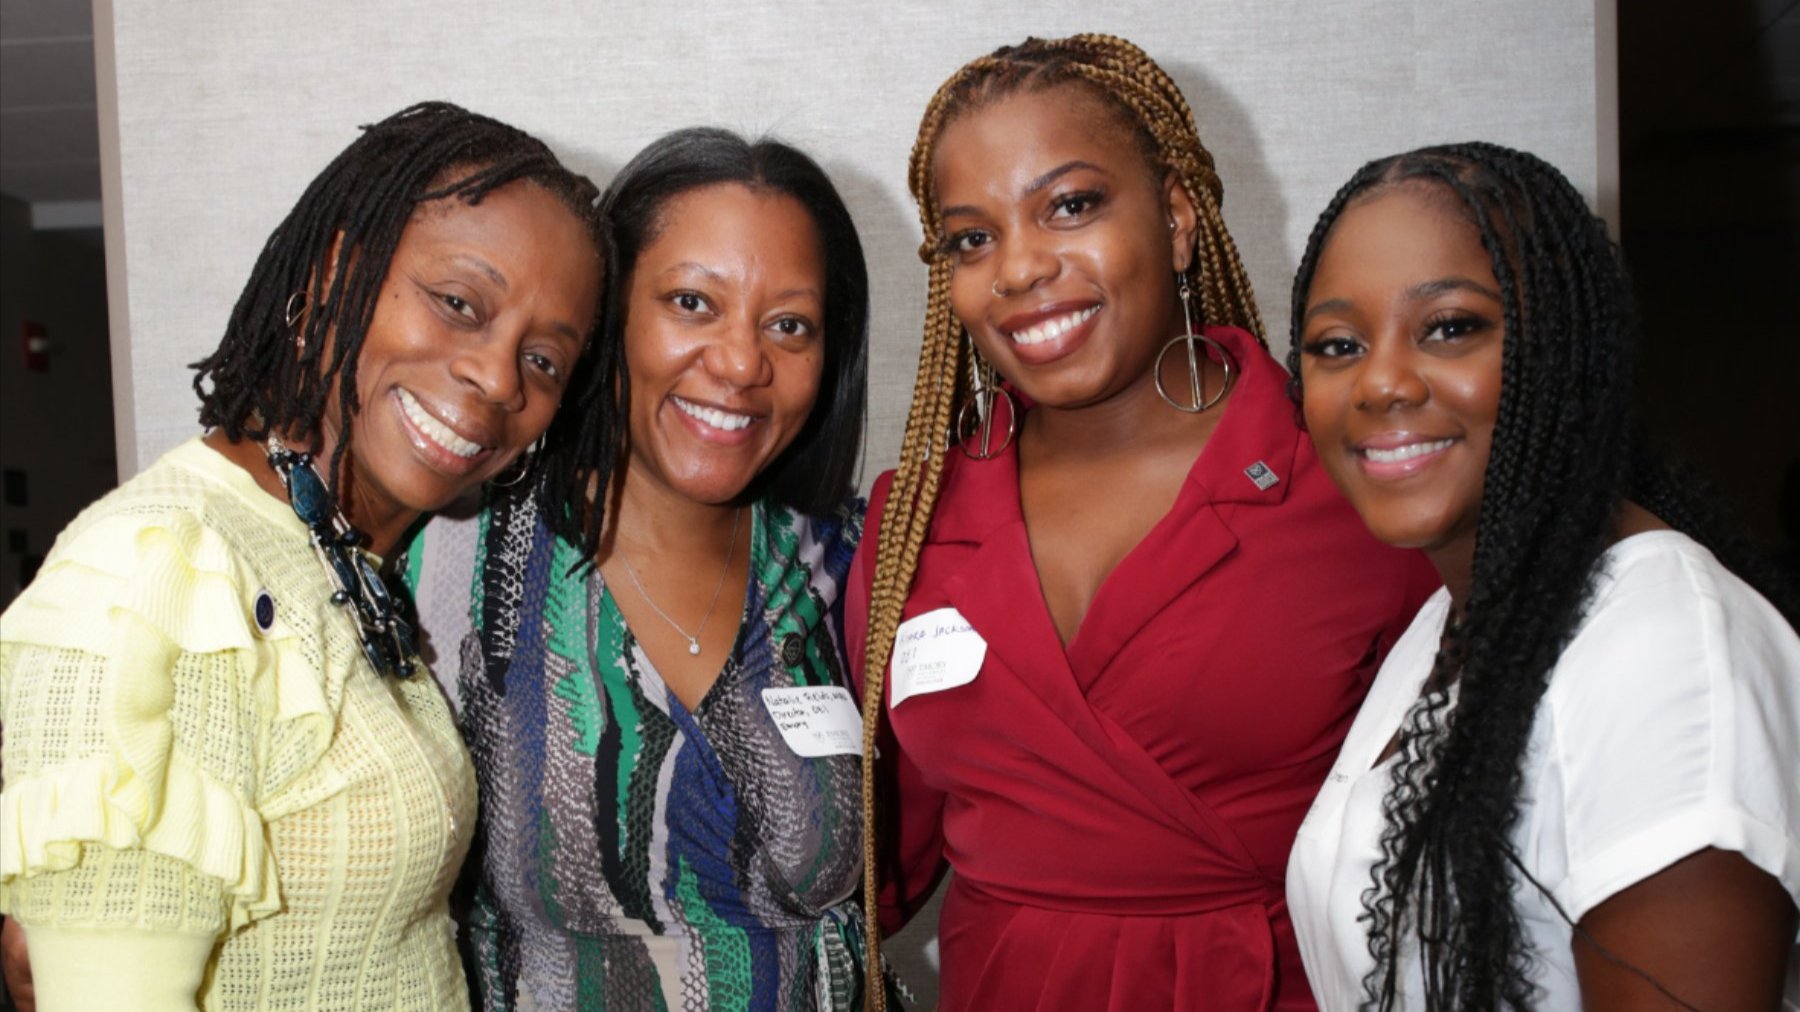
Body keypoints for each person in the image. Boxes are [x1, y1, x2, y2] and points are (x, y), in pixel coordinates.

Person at [846, 34, 1437, 1011]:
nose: (1019, 267)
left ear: (1175, 217)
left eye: (1070, 206)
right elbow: (874, 867)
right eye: (972, 239)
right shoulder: (911, 522)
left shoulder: (1351, 483)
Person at [0, 101, 606, 1011]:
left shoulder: (335, 556)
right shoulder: (158, 565)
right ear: (332, 273)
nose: (497, 376)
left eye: (545, 360)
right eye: (458, 304)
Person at [1285, 142, 1800, 1009]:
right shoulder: (1449, 622)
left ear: (1564, 346)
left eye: (1449, 327)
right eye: (1338, 344)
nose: (1379, 383)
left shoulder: (1666, 651)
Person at [409, 127, 878, 1010]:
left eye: (789, 324)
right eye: (693, 303)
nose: (741, 363)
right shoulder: (453, 557)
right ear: (608, 313)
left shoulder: (850, 562)